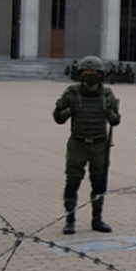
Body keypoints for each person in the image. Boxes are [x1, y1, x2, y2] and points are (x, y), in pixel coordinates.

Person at [52, 55, 120, 234]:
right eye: (87, 72)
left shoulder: (107, 95)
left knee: (98, 184)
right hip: (78, 144)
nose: (90, 75)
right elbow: (57, 117)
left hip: (99, 145)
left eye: (94, 72)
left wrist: (111, 115)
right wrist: (69, 110)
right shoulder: (72, 93)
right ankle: (70, 220)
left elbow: (116, 119)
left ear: (100, 74)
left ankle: (97, 219)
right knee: (72, 183)